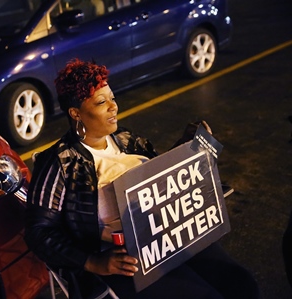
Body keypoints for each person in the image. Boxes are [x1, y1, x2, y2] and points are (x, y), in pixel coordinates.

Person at [24, 59, 260, 299]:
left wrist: (188, 147)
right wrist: (93, 262)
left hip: (175, 233)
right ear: (76, 113)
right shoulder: (60, 162)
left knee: (242, 285)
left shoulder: (128, 140)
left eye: (112, 98)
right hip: (131, 259)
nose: (113, 107)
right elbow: (38, 231)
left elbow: (160, 179)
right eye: (101, 102)